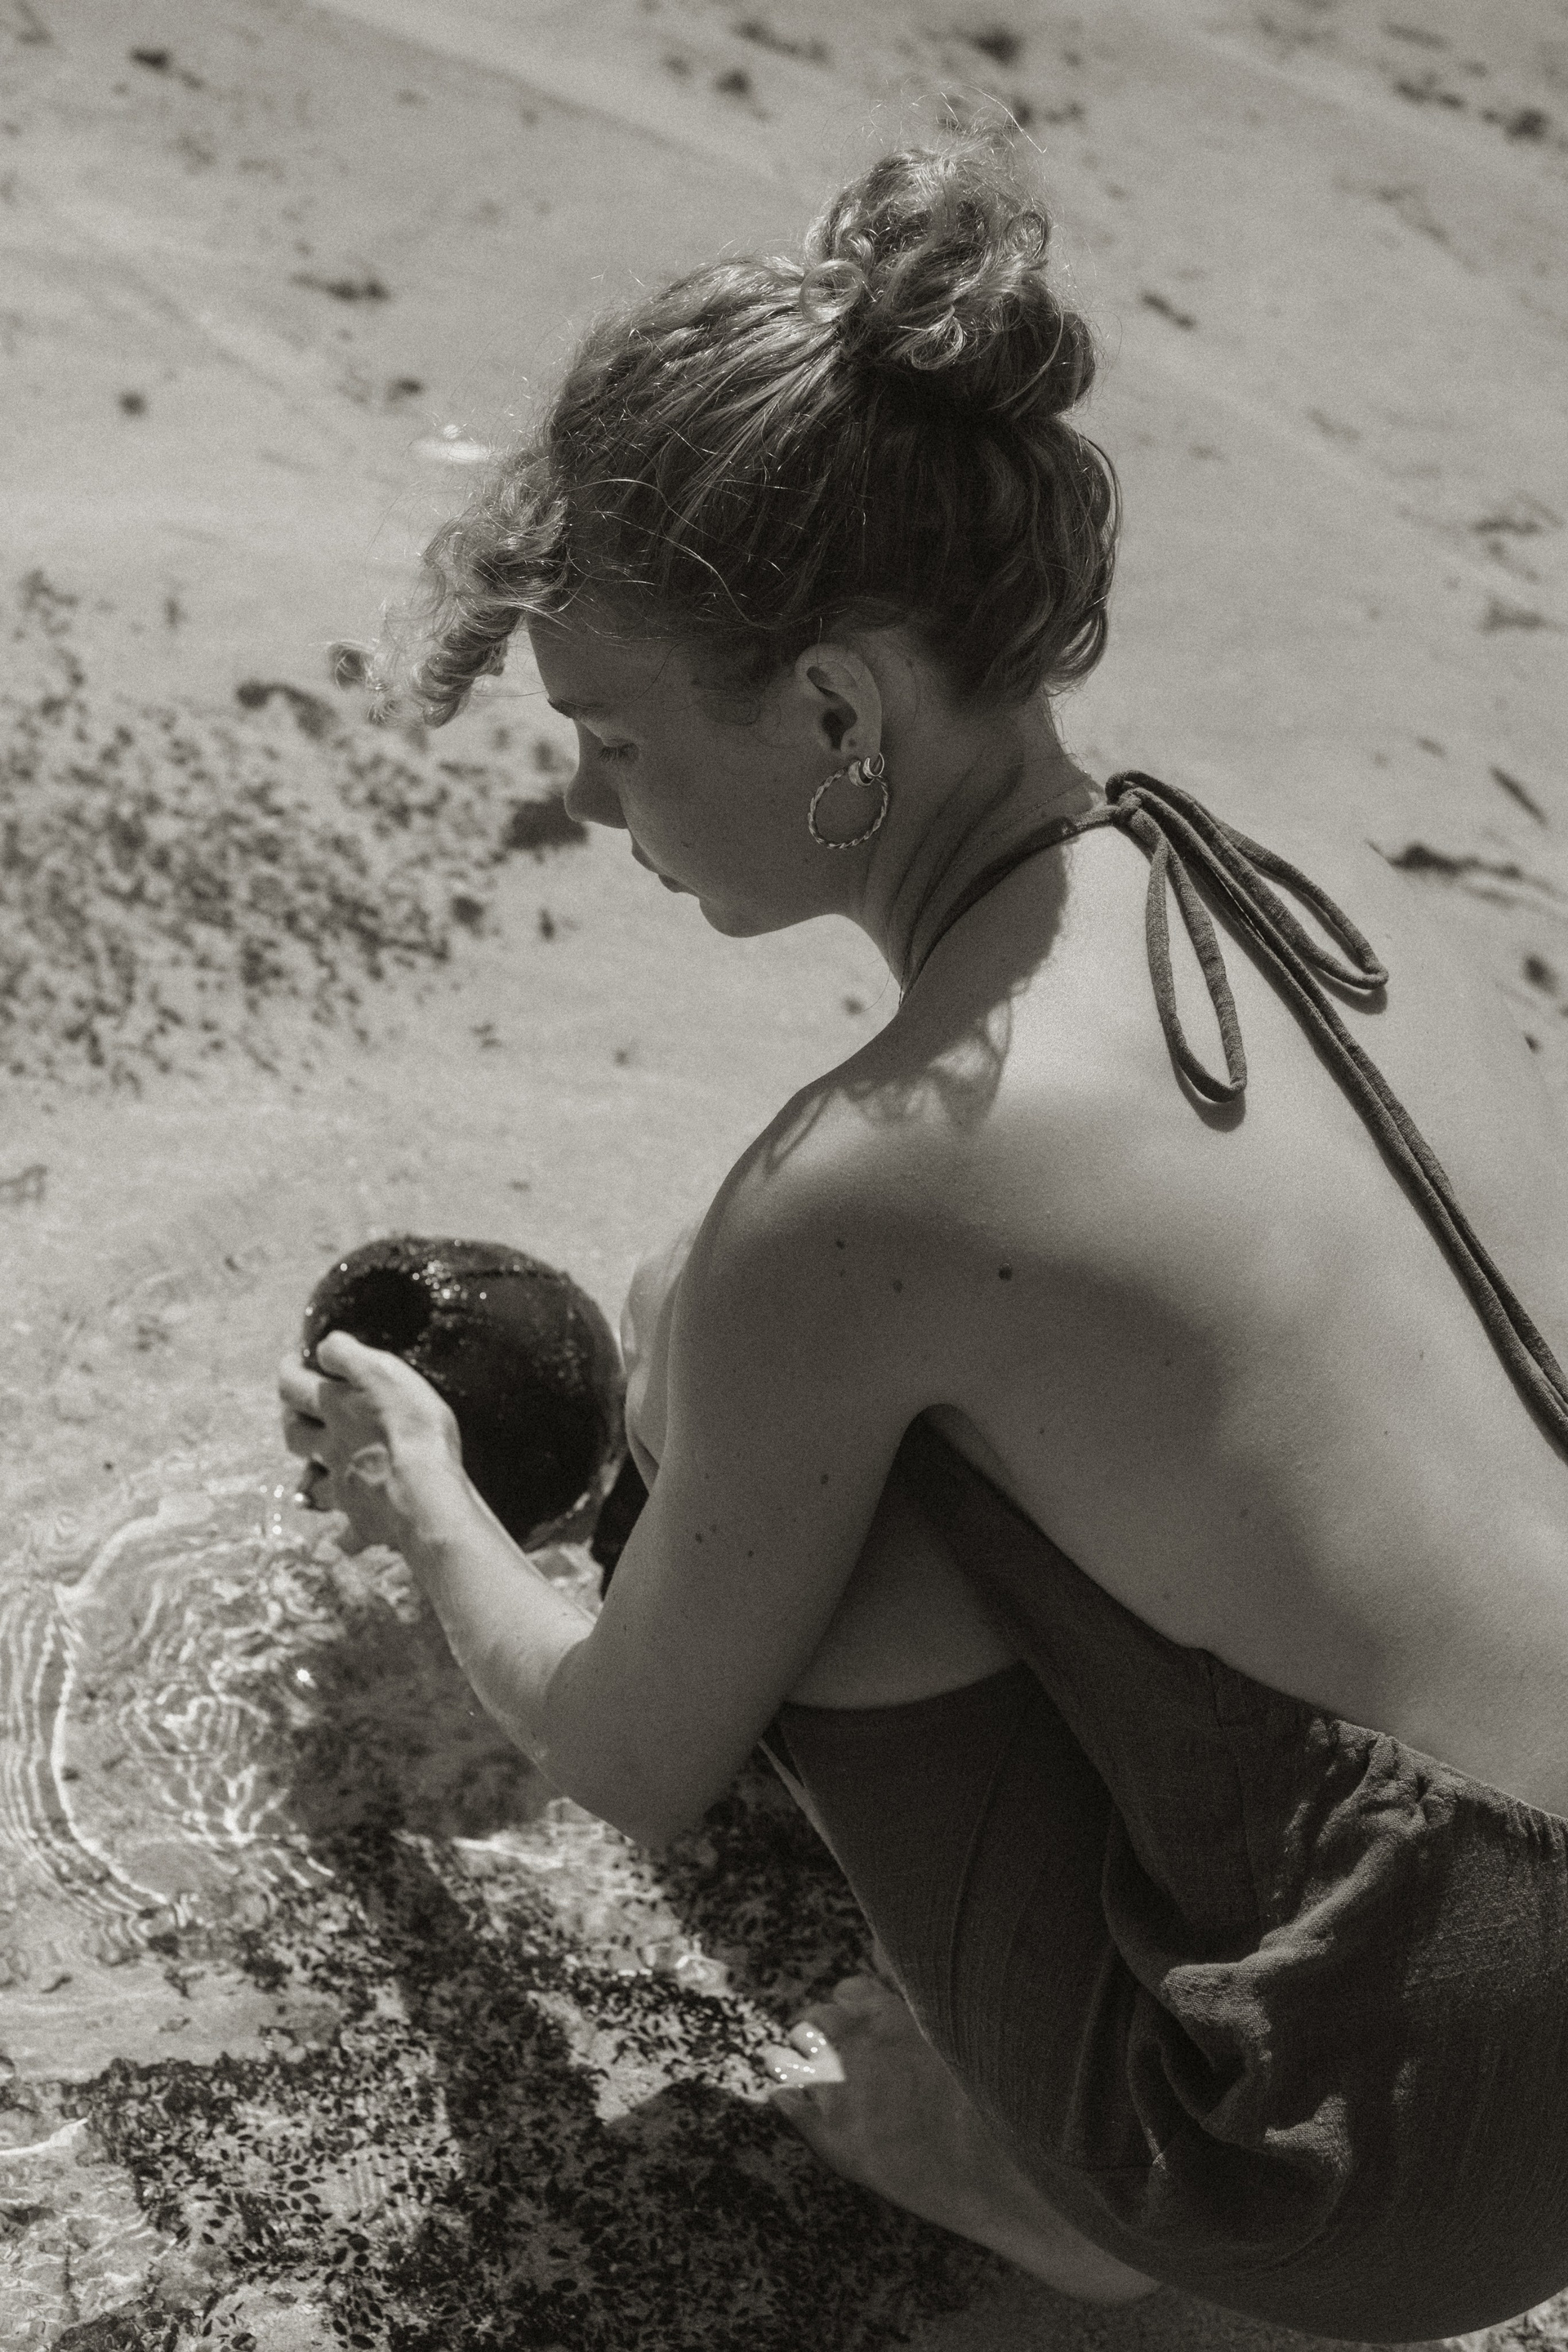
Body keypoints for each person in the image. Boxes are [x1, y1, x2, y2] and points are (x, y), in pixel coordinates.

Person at [279, 135, 1568, 2340]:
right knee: (758, 1346)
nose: (588, 802)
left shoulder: (871, 1194)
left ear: (839, 709)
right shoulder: (1319, 894)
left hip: (1392, 2160)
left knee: (769, 1403)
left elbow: (623, 1756)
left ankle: (1055, 2184)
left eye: (612, 739)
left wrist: (423, 1493)